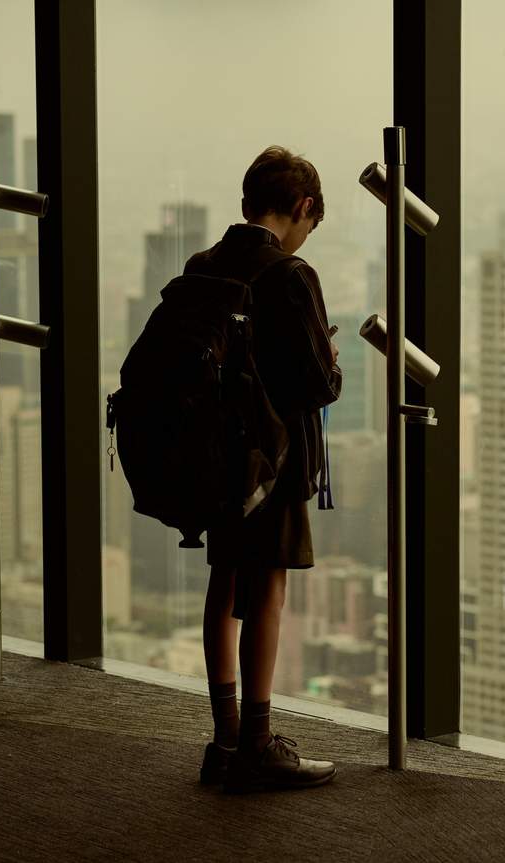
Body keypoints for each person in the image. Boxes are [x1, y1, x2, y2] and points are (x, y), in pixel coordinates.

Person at [189, 146, 343, 793]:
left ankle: (224, 740)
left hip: (213, 456)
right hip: (272, 460)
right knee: (268, 589)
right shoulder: (290, 274)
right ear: (303, 206)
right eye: (311, 223)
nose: (307, 236)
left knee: (224, 582)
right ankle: (257, 744)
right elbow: (318, 383)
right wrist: (329, 356)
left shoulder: (204, 264)